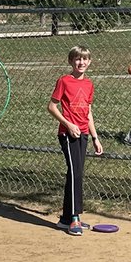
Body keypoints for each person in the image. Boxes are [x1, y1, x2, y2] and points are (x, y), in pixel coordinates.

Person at [48, 45, 103, 235]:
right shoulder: (64, 81)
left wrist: (95, 137)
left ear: (90, 61)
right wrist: (68, 124)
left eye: (85, 59)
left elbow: (88, 112)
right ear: (71, 61)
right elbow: (51, 107)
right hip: (68, 133)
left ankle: (65, 219)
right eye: (78, 59)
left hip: (84, 133)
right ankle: (74, 218)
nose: (81, 62)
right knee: (75, 174)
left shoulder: (89, 84)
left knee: (76, 173)